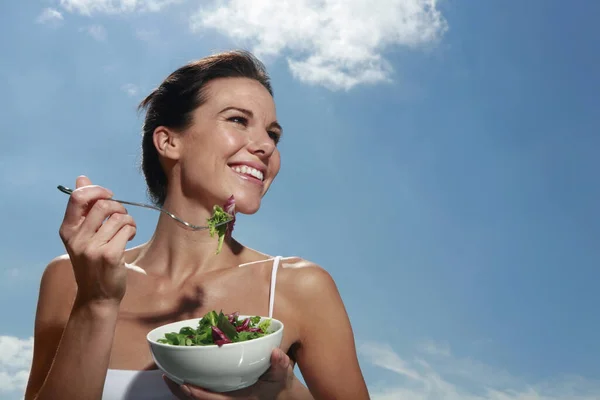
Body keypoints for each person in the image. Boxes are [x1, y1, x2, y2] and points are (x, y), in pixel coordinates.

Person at [24, 50, 370, 400]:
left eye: (273, 134)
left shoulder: (301, 288)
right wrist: (96, 301)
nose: (266, 146)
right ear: (169, 141)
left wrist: (285, 395)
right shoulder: (71, 278)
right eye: (237, 120)